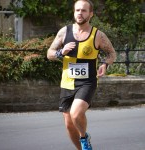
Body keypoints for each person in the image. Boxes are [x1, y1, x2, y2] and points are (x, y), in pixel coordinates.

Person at [47, 0, 116, 149]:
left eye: (84, 10)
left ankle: (84, 138)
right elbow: (49, 53)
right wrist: (61, 52)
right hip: (67, 82)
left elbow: (112, 53)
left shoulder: (97, 35)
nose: (80, 13)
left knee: (76, 113)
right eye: (77, 10)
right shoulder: (64, 32)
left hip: (87, 82)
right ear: (74, 12)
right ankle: (82, 148)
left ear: (90, 14)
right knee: (69, 125)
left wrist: (104, 63)